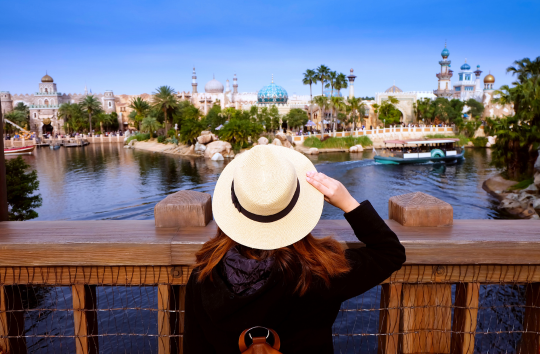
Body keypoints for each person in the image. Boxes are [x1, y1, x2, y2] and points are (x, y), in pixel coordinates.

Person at [184, 145, 406, 354]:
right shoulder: (321, 271)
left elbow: (194, 347)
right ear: (297, 205)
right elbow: (390, 252)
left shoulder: (204, 275)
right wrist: (348, 202)